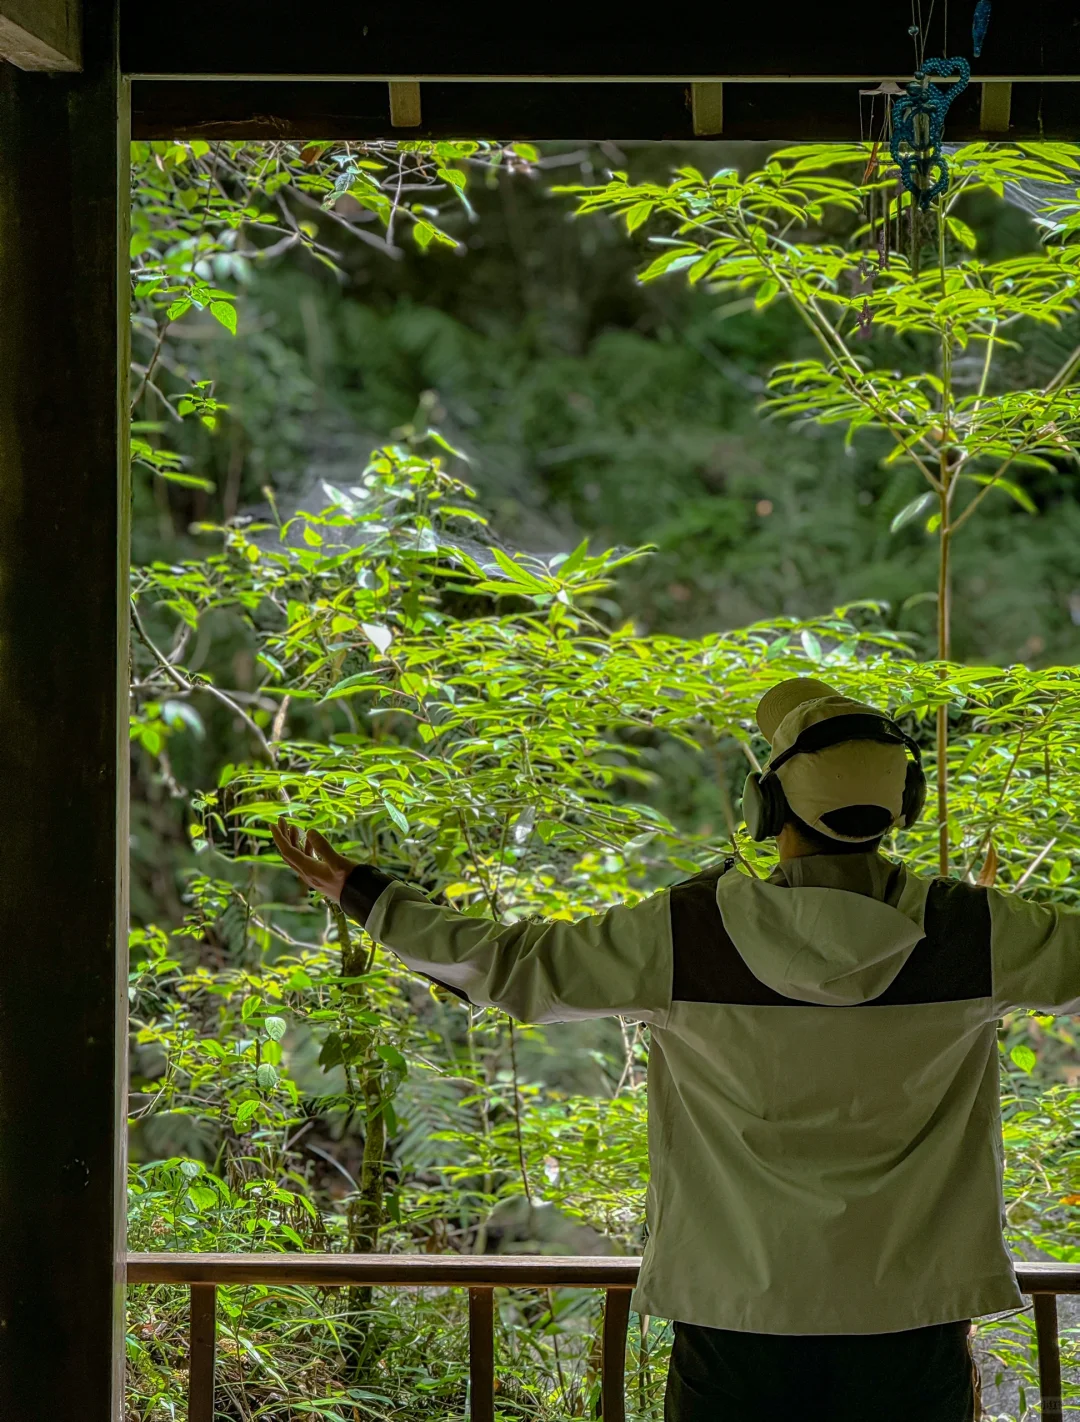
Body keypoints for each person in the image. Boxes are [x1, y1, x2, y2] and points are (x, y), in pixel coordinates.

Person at [272, 676, 1080, 1421]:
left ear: (767, 810)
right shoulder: (975, 936)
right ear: (905, 804)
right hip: (915, 1322)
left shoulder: (688, 933)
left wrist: (367, 894)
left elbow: (510, 967)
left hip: (733, 1320)